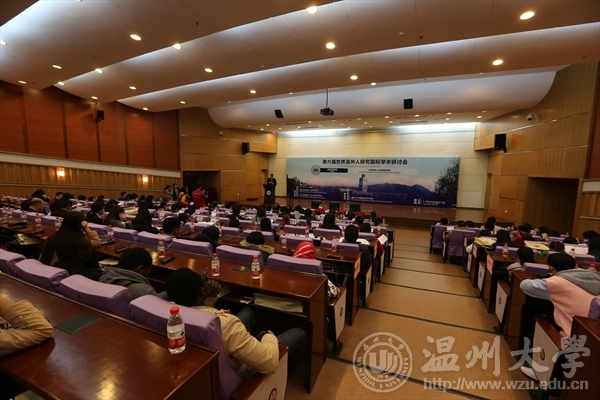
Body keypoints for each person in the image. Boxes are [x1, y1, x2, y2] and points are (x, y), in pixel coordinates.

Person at [166, 268, 305, 377]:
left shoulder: (172, 318)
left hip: (216, 354)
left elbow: (200, 308)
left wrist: (210, 295)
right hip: (241, 372)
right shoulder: (227, 324)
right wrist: (267, 335)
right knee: (299, 333)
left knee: (248, 311)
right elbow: (270, 363)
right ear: (202, 290)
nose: (206, 281)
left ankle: (248, 343)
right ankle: (283, 377)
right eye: (204, 279)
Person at [520, 252, 600, 337]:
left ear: (552, 268)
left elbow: (524, 285)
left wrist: (548, 278)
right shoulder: (595, 277)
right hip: (593, 332)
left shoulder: (557, 282)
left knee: (531, 312)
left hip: (573, 334)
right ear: (576, 266)